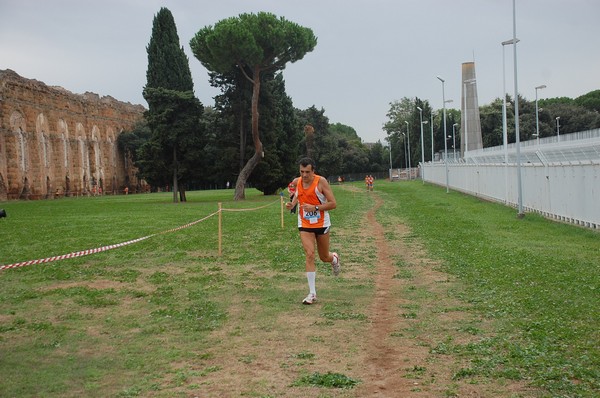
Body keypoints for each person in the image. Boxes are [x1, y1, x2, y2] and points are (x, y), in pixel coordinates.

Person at [286, 157, 340, 305]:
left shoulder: (321, 182)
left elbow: (333, 204)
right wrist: (292, 204)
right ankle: (312, 293)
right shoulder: (297, 181)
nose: (304, 175)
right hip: (304, 223)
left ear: (313, 171)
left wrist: (315, 208)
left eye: (307, 172)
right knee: (309, 254)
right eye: (302, 172)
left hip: (321, 223)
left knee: (324, 257)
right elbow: (297, 193)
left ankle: (334, 258)